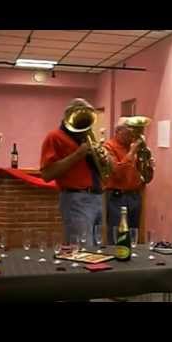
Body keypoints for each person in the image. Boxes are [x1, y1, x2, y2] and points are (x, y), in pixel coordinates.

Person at [40, 98, 105, 246]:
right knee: (82, 249)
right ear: (68, 116)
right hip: (76, 199)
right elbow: (47, 174)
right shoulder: (54, 137)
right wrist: (77, 155)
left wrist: (103, 158)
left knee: (96, 248)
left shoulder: (86, 138)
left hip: (97, 196)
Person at [103, 117, 155, 244]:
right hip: (117, 197)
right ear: (118, 131)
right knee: (118, 236)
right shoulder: (108, 147)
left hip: (135, 196)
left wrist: (148, 166)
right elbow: (117, 172)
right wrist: (132, 152)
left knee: (133, 235)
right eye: (130, 131)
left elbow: (146, 178)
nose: (133, 135)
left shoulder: (137, 148)